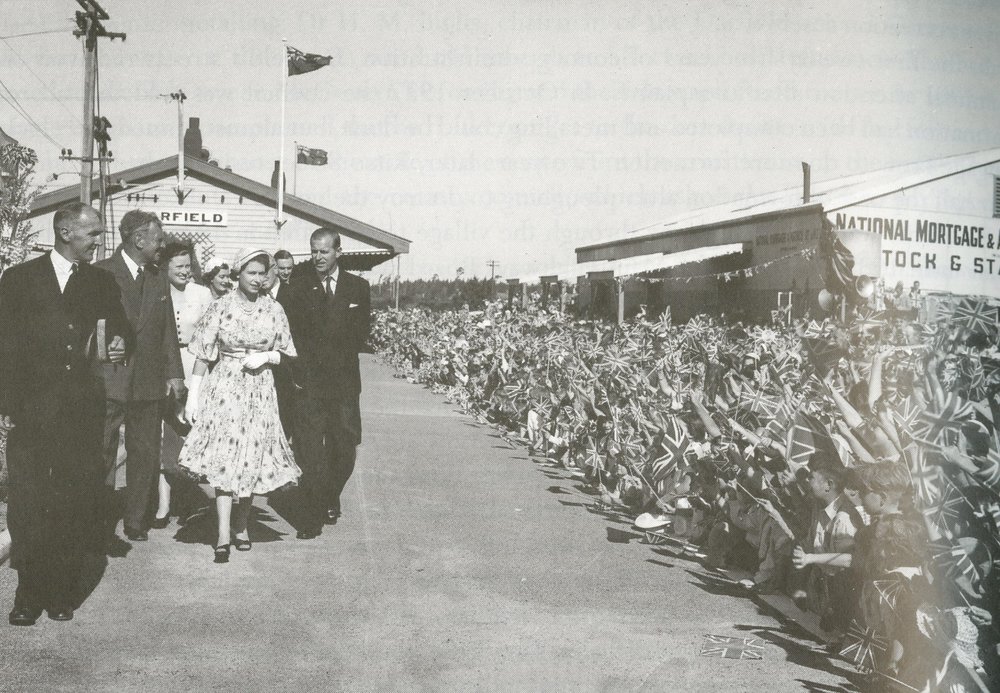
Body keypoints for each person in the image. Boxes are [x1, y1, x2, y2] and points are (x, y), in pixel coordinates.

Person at [0, 202, 130, 625]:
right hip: (31, 412)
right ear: (65, 231)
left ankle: (60, 590)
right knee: (27, 501)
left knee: (72, 500)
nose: (98, 242)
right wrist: (5, 404)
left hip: (81, 411)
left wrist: (120, 343)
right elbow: (4, 344)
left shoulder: (100, 281)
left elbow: (122, 330)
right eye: (92, 234)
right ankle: (27, 593)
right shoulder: (19, 279)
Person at [178, 248, 300, 563]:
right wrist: (193, 396)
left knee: (251, 456)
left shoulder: (275, 309)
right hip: (225, 388)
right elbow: (204, 354)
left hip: (260, 389)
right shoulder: (220, 307)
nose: (258, 280)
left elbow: (288, 352)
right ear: (238, 273)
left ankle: (242, 525)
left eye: (263, 273)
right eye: (251, 273)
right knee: (225, 458)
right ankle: (222, 533)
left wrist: (268, 356)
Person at [96, 210, 185, 546]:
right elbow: (91, 323)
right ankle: (100, 520)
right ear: (139, 240)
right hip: (110, 377)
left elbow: (168, 332)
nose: (162, 245)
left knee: (144, 451)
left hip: (148, 379)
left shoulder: (158, 276)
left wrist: (175, 373)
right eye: (158, 239)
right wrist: (105, 347)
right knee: (102, 449)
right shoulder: (101, 272)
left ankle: (135, 520)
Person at [279, 227, 371, 539]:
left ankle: (331, 493)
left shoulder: (358, 287)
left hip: (344, 385)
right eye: (314, 251)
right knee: (308, 452)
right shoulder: (298, 288)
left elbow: (360, 335)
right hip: (309, 384)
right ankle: (311, 516)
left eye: (324, 251)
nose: (318, 257)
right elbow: (290, 334)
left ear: (338, 252)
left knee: (344, 449)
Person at [154, 241, 213, 528]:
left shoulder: (202, 294)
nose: (185, 272)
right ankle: (163, 505)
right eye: (178, 266)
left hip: (194, 367)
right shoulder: (156, 291)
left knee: (191, 435)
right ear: (165, 267)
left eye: (188, 266)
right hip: (162, 368)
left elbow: (211, 336)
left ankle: (191, 500)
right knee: (164, 438)